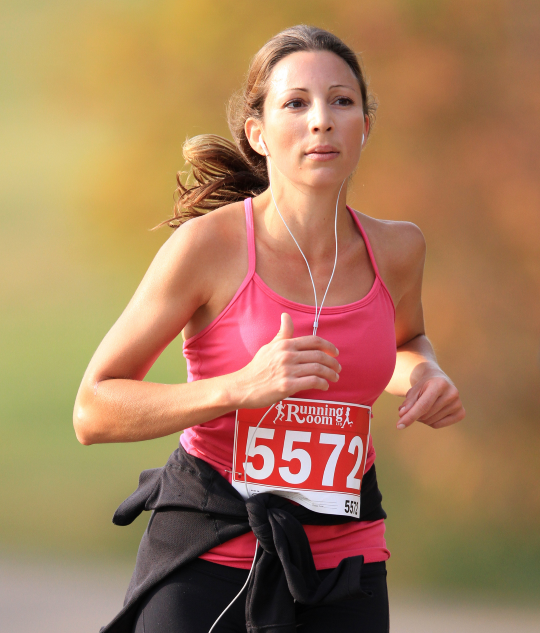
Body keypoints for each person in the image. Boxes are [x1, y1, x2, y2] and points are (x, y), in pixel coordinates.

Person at [74, 25, 465, 633]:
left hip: (346, 556)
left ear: (366, 123)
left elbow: (402, 345)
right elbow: (92, 409)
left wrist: (428, 372)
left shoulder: (398, 248)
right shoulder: (209, 248)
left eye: (342, 101)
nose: (322, 121)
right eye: (296, 103)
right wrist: (239, 386)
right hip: (214, 549)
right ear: (258, 133)